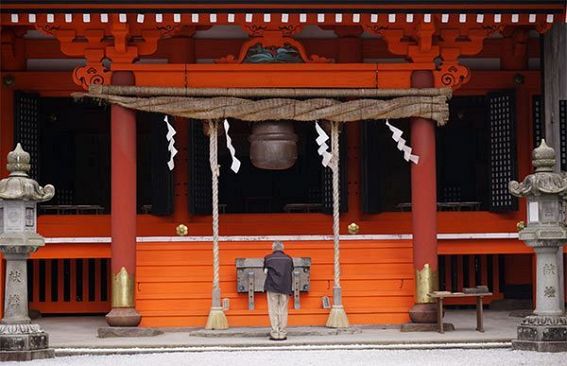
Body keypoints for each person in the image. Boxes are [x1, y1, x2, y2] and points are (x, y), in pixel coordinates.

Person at [263, 241, 294, 341]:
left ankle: (275, 333)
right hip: (285, 287)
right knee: (283, 310)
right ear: (282, 248)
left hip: (272, 287)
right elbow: (291, 270)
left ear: (273, 248)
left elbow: (265, 271)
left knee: (273, 310)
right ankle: (283, 333)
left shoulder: (268, 258)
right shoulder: (289, 259)